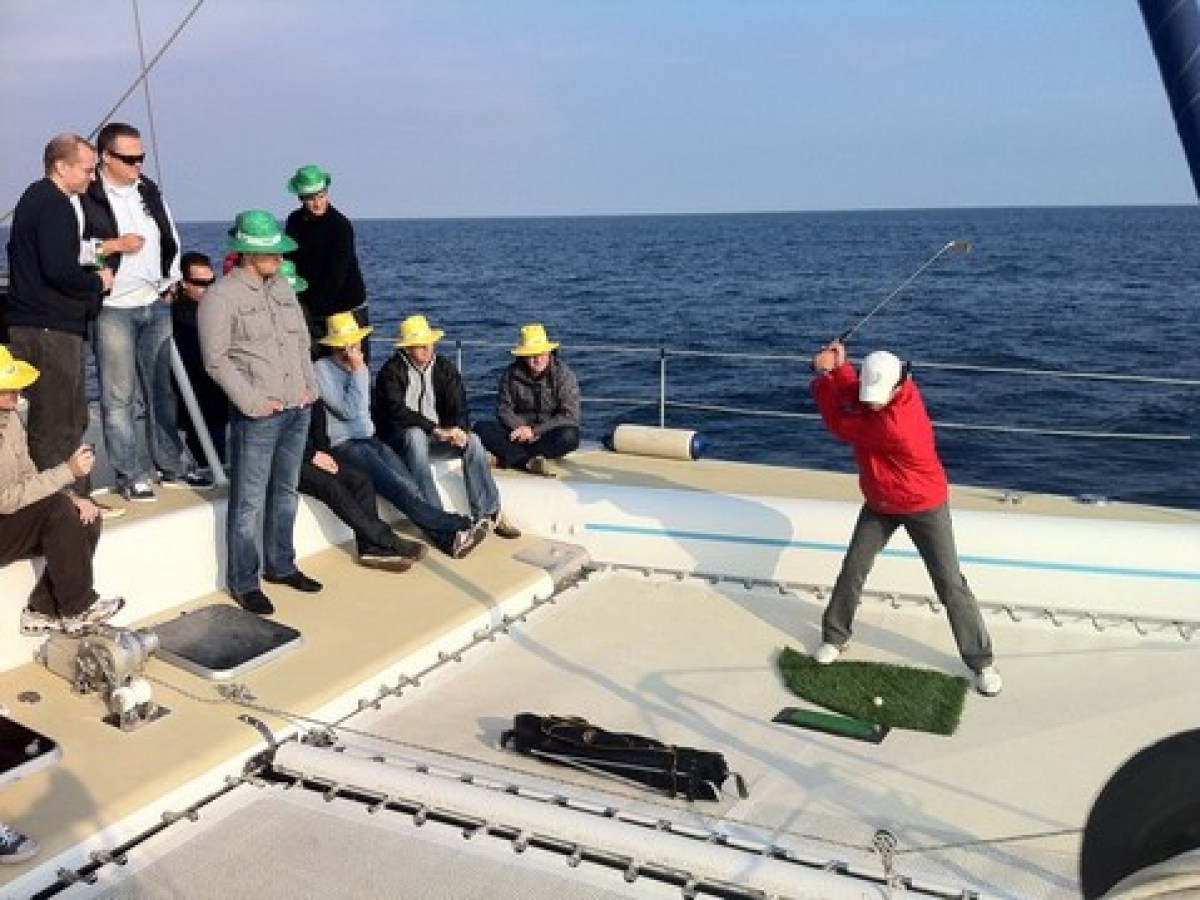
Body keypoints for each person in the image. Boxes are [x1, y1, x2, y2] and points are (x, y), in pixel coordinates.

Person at [808, 341, 1001, 697]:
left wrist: (824, 375)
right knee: (853, 569)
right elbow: (857, 396)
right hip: (880, 501)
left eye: (877, 396)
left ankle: (981, 661)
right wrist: (841, 368)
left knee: (949, 583)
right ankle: (835, 637)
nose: (873, 401)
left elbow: (840, 423)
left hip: (922, 505)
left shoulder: (896, 425)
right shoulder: (893, 394)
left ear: (899, 386)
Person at [198, 210, 322, 616]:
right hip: (259, 415)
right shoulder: (221, 297)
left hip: (297, 406)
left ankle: (282, 565)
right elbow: (215, 360)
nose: (279, 258)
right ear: (249, 254)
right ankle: (244, 582)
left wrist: (310, 388)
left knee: (286, 491)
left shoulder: (283, 287)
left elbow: (301, 342)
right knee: (248, 502)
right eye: (272, 253)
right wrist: (252, 403)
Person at [80, 122, 209, 502]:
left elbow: (170, 236)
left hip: (154, 302)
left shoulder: (148, 190)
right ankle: (129, 473)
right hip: (112, 307)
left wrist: (171, 280)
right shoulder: (86, 195)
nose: (138, 164)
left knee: (162, 391)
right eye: (129, 158)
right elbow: (74, 247)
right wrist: (114, 245)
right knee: (118, 395)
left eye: (141, 157)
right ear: (106, 156)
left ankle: (171, 465)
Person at [313, 313, 488, 559]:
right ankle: (458, 523)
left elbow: (364, 412)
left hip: (369, 439)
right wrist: (359, 370)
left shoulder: (357, 367)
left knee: (408, 485)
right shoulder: (322, 369)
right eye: (348, 343)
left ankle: (450, 541)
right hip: (345, 445)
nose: (354, 346)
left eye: (356, 341)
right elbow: (348, 410)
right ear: (336, 346)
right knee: (397, 488)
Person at [4, 134, 113, 505]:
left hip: (33, 323)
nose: (92, 178)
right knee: (59, 419)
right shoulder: (55, 204)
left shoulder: (34, 200)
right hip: (50, 328)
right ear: (62, 167)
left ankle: (60, 499)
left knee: (56, 417)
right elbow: (58, 269)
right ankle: (66, 503)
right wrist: (97, 281)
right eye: (86, 170)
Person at [0, 344, 124, 636]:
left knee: (85, 514)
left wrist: (71, 496)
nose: (17, 396)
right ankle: (78, 608)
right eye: (8, 390)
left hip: (10, 521)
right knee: (57, 510)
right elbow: (5, 500)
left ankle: (42, 609)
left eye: (16, 388)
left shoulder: (11, 419)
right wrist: (67, 472)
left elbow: (28, 475)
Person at [373, 314, 520, 538]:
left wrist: (458, 429)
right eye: (420, 345)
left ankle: (489, 512)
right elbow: (395, 411)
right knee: (415, 435)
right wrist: (433, 428)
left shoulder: (445, 369)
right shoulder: (390, 372)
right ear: (408, 349)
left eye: (429, 343)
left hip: (436, 436)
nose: (427, 349)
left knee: (473, 441)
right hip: (400, 442)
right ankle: (436, 517)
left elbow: (460, 405)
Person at [300, 402, 427, 572]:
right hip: (286, 462)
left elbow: (318, 420)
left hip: (313, 456)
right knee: (331, 486)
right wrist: (312, 455)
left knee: (361, 481)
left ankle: (369, 548)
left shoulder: (310, 395)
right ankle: (387, 538)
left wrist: (323, 453)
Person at [283, 164, 370, 355]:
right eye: (311, 198)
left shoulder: (340, 226)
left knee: (353, 363)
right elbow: (288, 261)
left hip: (346, 308)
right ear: (300, 198)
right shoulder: (294, 221)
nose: (317, 203)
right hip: (310, 306)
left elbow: (336, 275)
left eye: (321, 196)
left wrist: (310, 309)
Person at [475, 323, 581, 476]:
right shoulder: (510, 374)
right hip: (516, 433)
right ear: (523, 356)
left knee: (570, 437)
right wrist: (521, 429)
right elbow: (503, 409)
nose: (537, 359)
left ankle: (508, 456)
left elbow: (570, 415)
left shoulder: (563, 375)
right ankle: (526, 462)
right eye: (531, 355)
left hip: (547, 432)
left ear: (549, 352)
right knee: (481, 428)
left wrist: (534, 431)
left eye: (541, 353)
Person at [170, 252, 228, 472]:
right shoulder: (179, 316)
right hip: (196, 398)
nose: (208, 288)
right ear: (184, 283)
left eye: (211, 282)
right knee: (207, 453)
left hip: (214, 397)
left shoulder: (212, 309)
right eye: (201, 283)